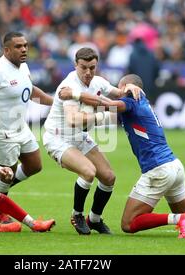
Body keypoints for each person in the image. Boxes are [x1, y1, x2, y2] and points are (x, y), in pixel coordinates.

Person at [59, 74, 185, 238]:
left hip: (158, 171)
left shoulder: (131, 100)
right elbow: (106, 108)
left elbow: (107, 103)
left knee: (128, 224)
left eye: (121, 89)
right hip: (174, 166)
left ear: (128, 87)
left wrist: (74, 94)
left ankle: (176, 220)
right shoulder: (142, 102)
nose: (119, 94)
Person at [42, 47, 140, 235]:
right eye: (84, 68)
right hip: (58, 138)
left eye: (92, 68)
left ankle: (94, 219)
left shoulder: (98, 82)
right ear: (75, 65)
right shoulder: (68, 86)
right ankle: (77, 214)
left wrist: (130, 87)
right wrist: (103, 116)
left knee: (109, 177)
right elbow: (73, 120)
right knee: (88, 172)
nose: (88, 73)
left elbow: (118, 93)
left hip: (79, 137)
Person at [0, 31, 53, 224]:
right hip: (1, 133)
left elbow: (30, 90)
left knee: (34, 166)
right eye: (18, 46)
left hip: (20, 128)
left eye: (25, 45)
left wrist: (54, 103)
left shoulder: (23, 67)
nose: (24, 49)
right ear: (6, 50)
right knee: (8, 173)